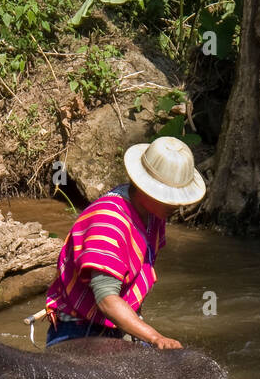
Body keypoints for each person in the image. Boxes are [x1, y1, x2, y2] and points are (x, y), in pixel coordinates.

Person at [43, 135, 205, 349]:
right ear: (147, 189)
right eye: (170, 197)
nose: (177, 205)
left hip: (116, 325)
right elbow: (106, 300)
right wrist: (155, 337)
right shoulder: (108, 223)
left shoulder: (153, 215)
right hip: (81, 331)